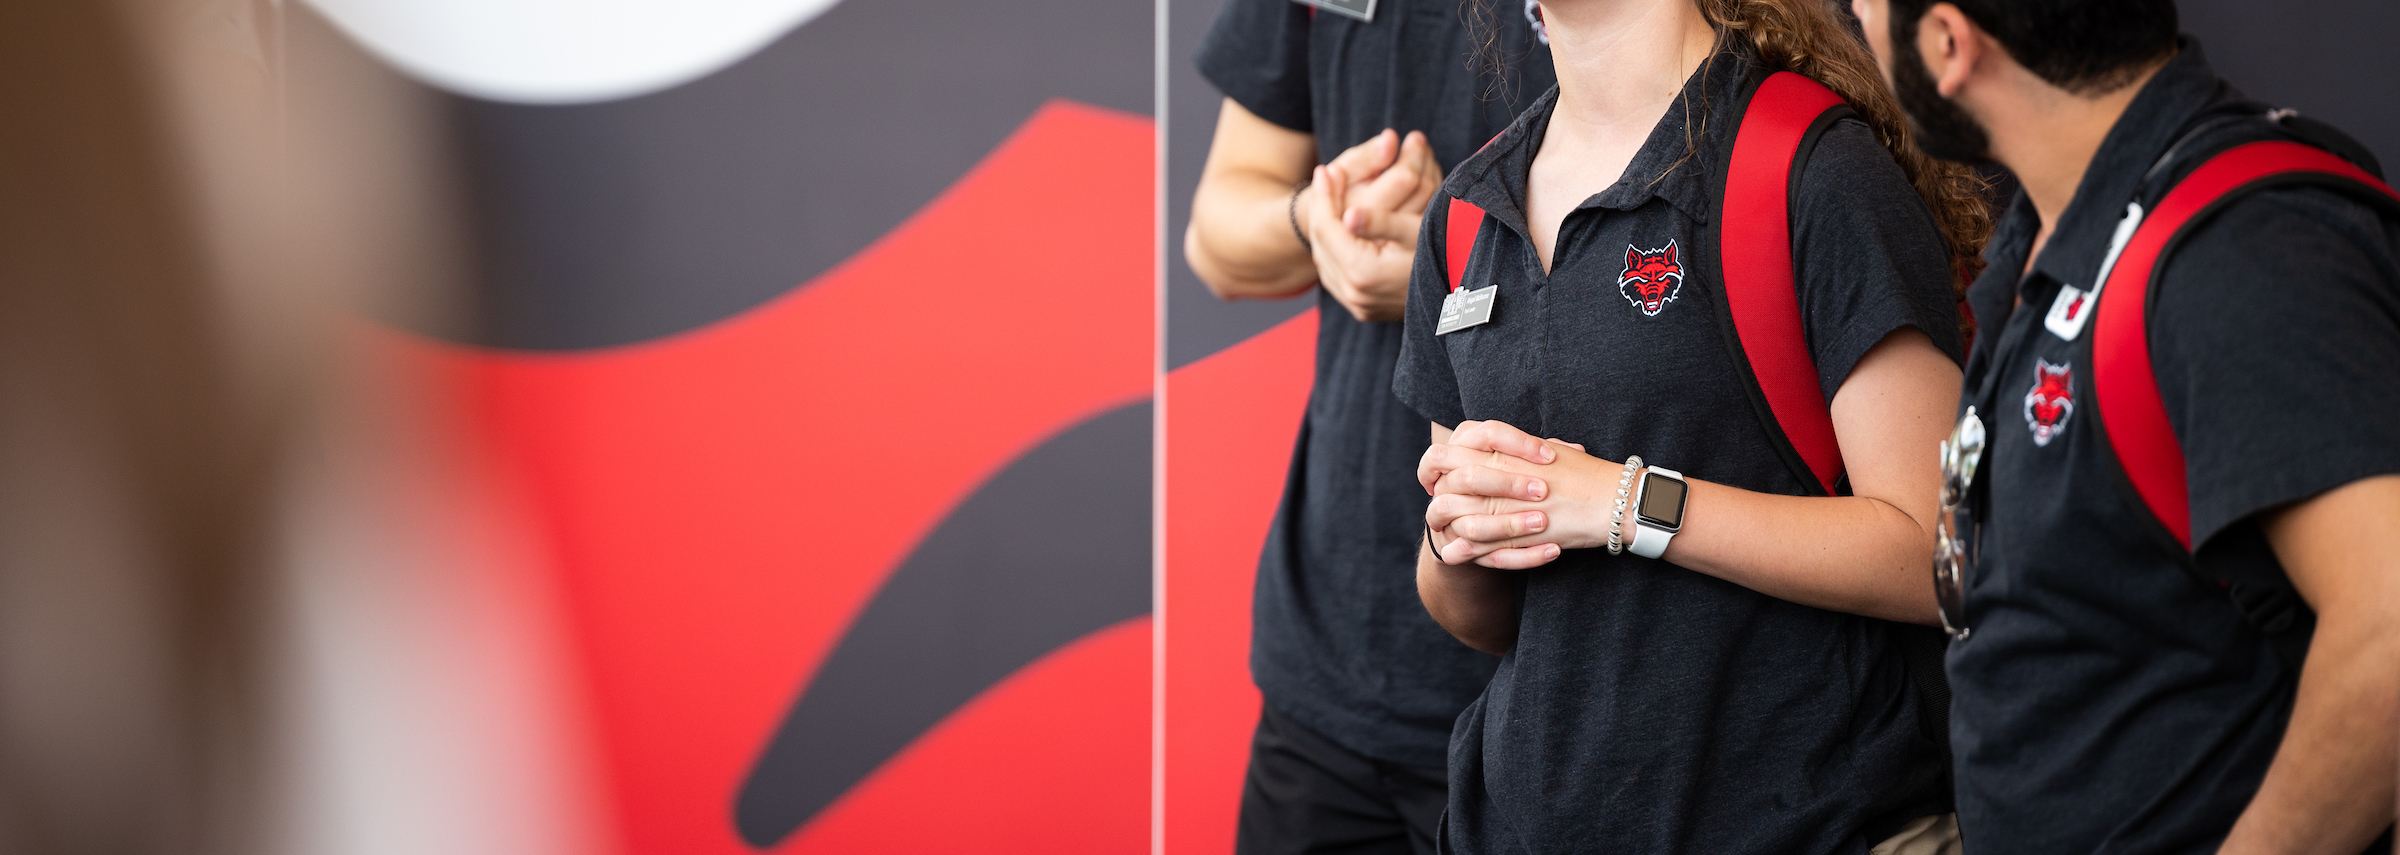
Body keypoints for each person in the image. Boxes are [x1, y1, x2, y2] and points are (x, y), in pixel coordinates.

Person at [1390, 0, 1993, 851]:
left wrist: (1633, 504)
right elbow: (1483, 615)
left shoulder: (1812, 166)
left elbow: (1942, 557)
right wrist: (1458, 536)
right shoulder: (1463, 217)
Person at [1848, 0, 2400, 852]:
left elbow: (2388, 630)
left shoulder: (2243, 252)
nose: (1855, 16)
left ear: (1950, 45)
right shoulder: (2060, 230)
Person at [1182, 1, 1554, 852]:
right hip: (1327, 670)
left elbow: (1684, 248)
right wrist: (1316, 223)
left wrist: (1450, 262)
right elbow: (1216, 230)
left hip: (1555, 690)